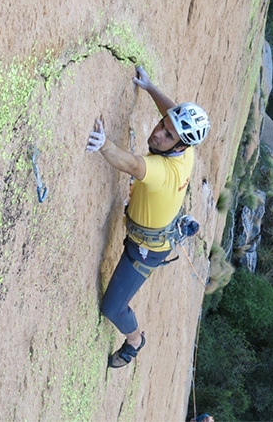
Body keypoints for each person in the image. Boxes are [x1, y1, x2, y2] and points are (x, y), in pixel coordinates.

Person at [86, 65, 210, 368]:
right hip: (150, 234)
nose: (158, 133)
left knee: (112, 308)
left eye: (167, 136)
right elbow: (173, 113)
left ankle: (134, 340)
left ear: (180, 145)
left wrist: (104, 145)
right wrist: (151, 88)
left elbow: (129, 164)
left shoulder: (161, 172)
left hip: (145, 251)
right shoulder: (186, 149)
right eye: (162, 125)